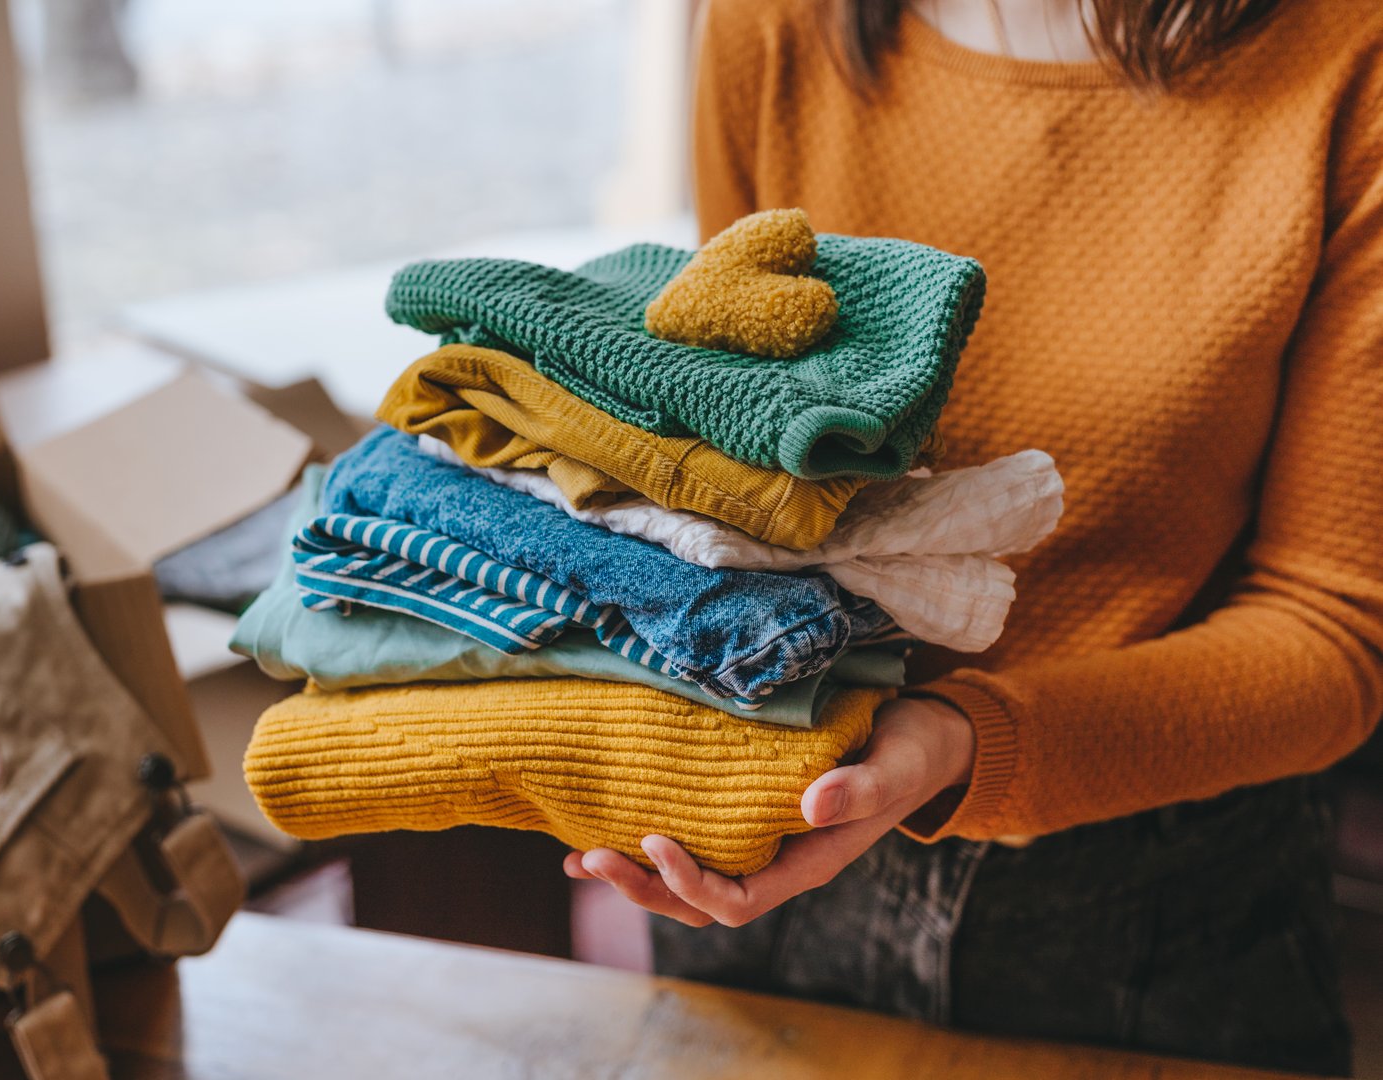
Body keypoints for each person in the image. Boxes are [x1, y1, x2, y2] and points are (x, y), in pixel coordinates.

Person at [564, 0, 1383, 1073]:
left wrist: (959, 742)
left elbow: (1335, 630)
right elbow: (732, 474)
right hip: (775, 834)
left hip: (1156, 899)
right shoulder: (774, 24)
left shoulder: (1349, 59)